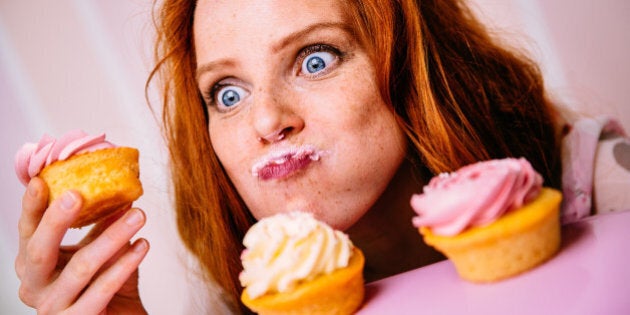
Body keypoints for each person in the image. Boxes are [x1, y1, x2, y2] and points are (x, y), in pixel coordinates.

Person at [14, 0, 628, 314]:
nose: (266, 122)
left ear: (410, 63)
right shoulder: (251, 300)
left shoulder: (600, 183)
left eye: (315, 59)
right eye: (227, 93)